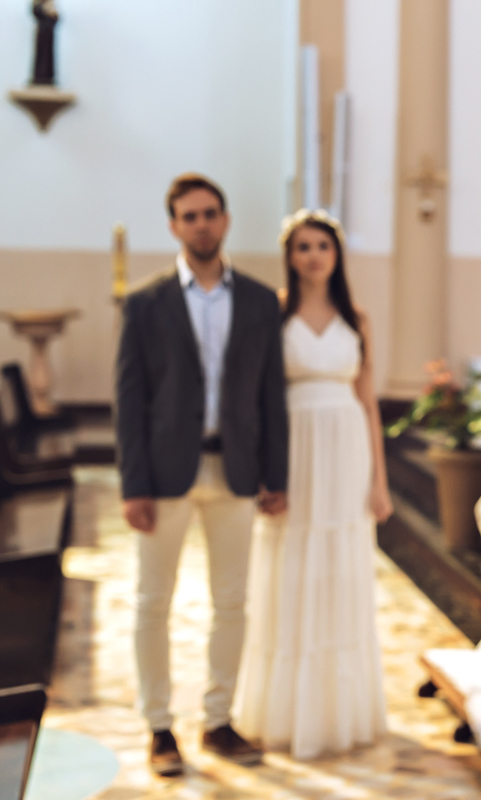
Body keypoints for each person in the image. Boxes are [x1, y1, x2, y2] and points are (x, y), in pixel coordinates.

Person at [116, 173, 288, 776]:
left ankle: (218, 720)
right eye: (189, 216)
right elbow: (129, 399)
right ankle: (159, 726)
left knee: (233, 601)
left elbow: (272, 396)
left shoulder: (261, 301)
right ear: (173, 226)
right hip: (165, 472)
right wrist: (133, 485)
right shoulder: (145, 302)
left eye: (210, 213)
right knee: (152, 602)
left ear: (226, 220)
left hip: (236, 468)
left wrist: (277, 474)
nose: (202, 224)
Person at [233, 208, 392, 760]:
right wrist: (263, 472)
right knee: (291, 565)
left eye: (322, 245)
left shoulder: (357, 318)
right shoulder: (272, 314)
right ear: (290, 256)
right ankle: (285, 711)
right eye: (303, 246)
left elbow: (368, 402)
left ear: (336, 254)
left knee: (340, 568)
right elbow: (257, 400)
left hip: (346, 449)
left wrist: (380, 482)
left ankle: (338, 710)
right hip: (293, 449)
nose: (314, 256)